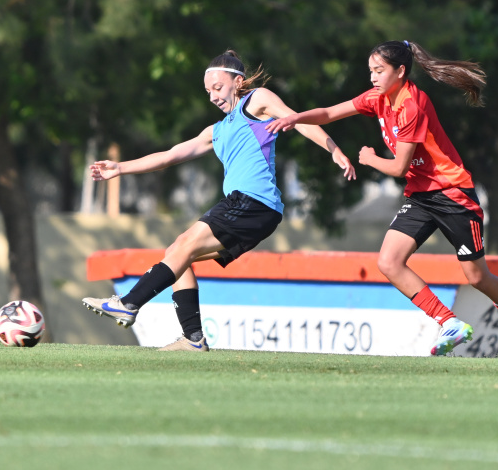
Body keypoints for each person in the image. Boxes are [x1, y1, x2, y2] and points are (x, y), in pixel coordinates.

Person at [265, 40, 498, 358]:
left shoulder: (412, 105)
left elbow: (398, 167)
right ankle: (449, 322)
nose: (373, 78)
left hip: (453, 194)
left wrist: (368, 158)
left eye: (379, 71)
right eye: (371, 71)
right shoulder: (377, 98)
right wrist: (295, 119)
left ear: (401, 71)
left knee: (476, 276)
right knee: (389, 262)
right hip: (421, 195)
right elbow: (329, 112)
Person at [83, 50, 355, 351]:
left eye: (218, 87)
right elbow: (170, 155)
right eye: (207, 91)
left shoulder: (256, 101)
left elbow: (299, 120)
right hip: (251, 210)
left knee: (183, 245)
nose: (212, 96)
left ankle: (129, 303)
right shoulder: (217, 130)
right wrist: (121, 168)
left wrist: (333, 149)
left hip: (253, 202)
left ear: (238, 82)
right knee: (178, 255)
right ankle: (193, 338)